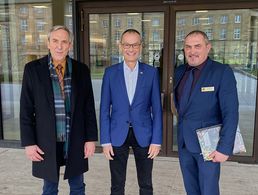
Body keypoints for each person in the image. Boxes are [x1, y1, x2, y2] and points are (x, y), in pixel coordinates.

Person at [20, 25, 98, 195]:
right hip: (46, 140)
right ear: (48, 43)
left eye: (64, 42)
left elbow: (88, 108)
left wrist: (91, 139)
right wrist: (29, 143)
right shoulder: (33, 70)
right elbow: (26, 109)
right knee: (49, 188)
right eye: (55, 41)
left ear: (70, 45)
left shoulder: (81, 70)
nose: (59, 46)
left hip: (75, 138)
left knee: (77, 186)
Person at [174, 30, 239, 195]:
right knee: (191, 189)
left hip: (209, 146)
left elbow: (231, 113)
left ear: (208, 47)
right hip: (184, 144)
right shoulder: (180, 72)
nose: (192, 51)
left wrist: (225, 148)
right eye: (188, 47)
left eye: (197, 46)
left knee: (208, 190)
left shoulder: (222, 72)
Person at [100, 29, 163, 195]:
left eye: (135, 44)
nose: (131, 48)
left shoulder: (151, 73)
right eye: (127, 44)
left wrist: (156, 140)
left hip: (144, 135)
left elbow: (157, 109)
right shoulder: (110, 73)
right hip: (117, 134)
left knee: (146, 184)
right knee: (117, 185)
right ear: (121, 46)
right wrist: (105, 141)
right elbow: (104, 109)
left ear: (141, 46)